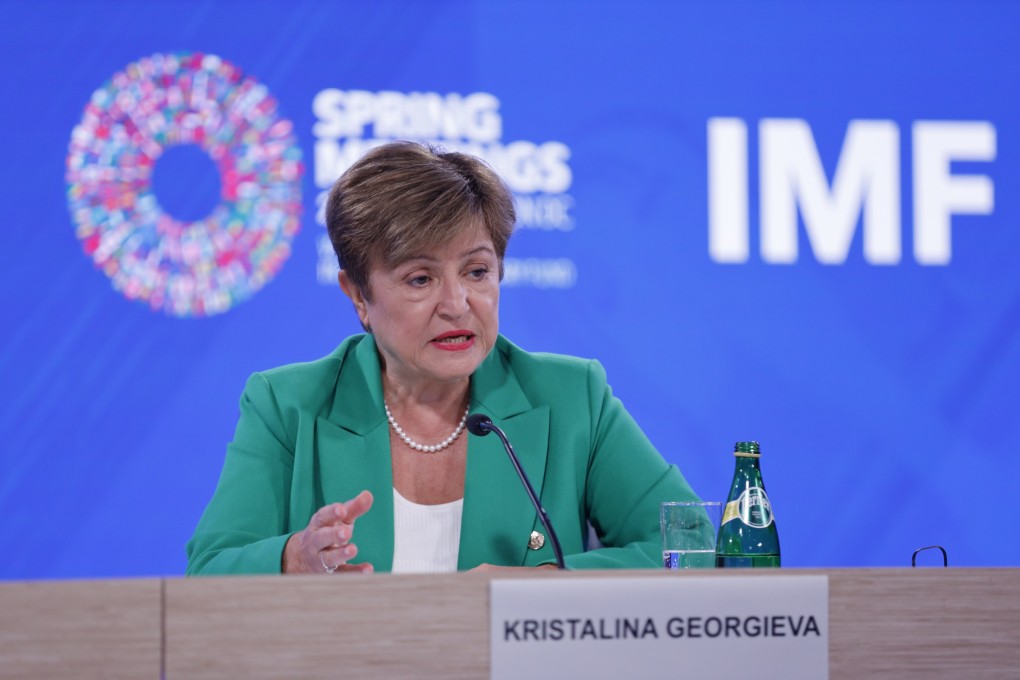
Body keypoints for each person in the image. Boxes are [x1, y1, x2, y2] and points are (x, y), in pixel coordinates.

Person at [186, 141, 702, 575]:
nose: (457, 305)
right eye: (420, 278)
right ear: (358, 295)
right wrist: (291, 558)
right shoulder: (288, 406)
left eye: (477, 271)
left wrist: (555, 583)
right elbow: (209, 569)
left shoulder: (572, 398)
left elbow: (695, 547)